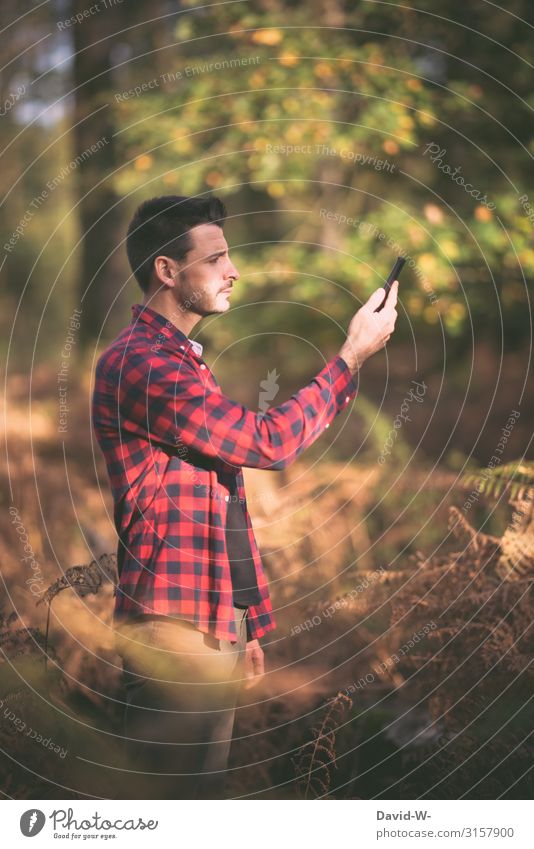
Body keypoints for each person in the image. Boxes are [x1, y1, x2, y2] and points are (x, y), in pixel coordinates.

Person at [91, 194, 399, 799]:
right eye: (216, 258)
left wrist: (247, 622)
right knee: (168, 814)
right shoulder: (143, 365)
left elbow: (222, 497)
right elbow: (267, 443)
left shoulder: (184, 363)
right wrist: (351, 355)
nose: (234, 270)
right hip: (174, 629)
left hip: (210, 622)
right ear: (167, 271)